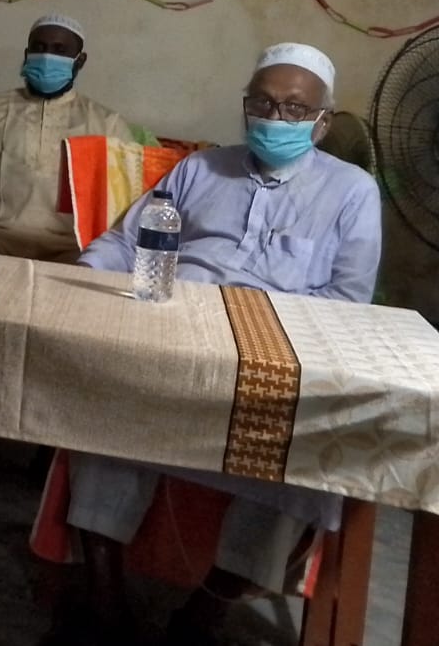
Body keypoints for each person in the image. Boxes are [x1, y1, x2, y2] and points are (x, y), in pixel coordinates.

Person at [60, 42, 381, 644]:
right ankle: (104, 600)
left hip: (275, 355)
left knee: (300, 451)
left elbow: (348, 300)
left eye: (294, 108)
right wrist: (84, 278)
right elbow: (128, 241)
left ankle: (204, 613)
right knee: (103, 407)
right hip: (170, 331)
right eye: (262, 102)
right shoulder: (201, 169)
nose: (274, 118)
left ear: (322, 121)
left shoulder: (352, 191)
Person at [0, 13, 133, 263]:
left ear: (80, 61)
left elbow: (124, 211)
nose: (46, 57)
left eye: (59, 50)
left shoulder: (108, 124)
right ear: (27, 54)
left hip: (70, 249)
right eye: (39, 47)